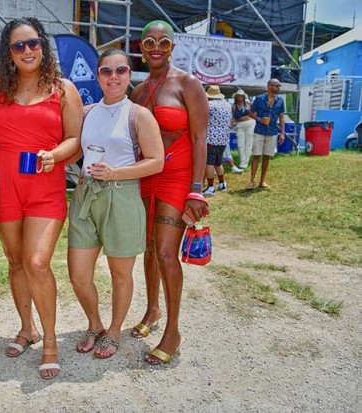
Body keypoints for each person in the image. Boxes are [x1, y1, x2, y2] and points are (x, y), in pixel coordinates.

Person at [0, 17, 82, 379]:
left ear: (43, 45)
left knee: (37, 262)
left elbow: (75, 139)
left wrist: (54, 155)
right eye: (18, 46)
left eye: (33, 43)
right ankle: (27, 329)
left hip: (45, 186)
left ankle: (51, 342)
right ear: (8, 52)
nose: (27, 51)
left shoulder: (63, 89)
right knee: (15, 262)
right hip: (7, 188)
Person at [68, 49, 164, 359]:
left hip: (122, 195)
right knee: (78, 273)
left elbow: (156, 161)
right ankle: (94, 323)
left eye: (120, 70)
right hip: (86, 195)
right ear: (97, 76)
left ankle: (114, 330)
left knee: (120, 274)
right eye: (106, 71)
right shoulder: (86, 112)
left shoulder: (138, 114)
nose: (113, 76)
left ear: (129, 75)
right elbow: (73, 149)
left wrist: (115, 173)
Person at [130, 20, 209, 365]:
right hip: (147, 175)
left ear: (173, 47)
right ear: (141, 48)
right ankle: (152, 310)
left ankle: (173, 331)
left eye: (164, 42)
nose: (156, 48)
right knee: (148, 247)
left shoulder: (188, 84)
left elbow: (200, 138)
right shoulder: (137, 91)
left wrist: (197, 189)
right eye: (150, 42)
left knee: (165, 252)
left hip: (177, 176)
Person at [246, 78, 285, 190]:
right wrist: (259, 119)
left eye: (279, 86)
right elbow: (250, 113)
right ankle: (251, 181)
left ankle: (262, 181)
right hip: (259, 130)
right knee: (256, 156)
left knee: (267, 157)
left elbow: (281, 117)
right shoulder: (259, 99)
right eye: (277, 86)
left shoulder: (280, 100)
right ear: (269, 86)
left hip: (272, 131)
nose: (278, 88)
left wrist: (282, 133)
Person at [203, 85, 232, 196]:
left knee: (209, 163)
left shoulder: (209, 105)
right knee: (218, 162)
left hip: (211, 138)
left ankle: (211, 187)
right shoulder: (227, 105)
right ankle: (222, 184)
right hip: (223, 138)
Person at [231, 88, 254, 170]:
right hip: (240, 125)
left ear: (243, 97)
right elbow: (234, 117)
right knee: (240, 145)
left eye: (241, 96)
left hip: (250, 124)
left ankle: (244, 164)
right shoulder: (234, 106)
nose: (239, 98)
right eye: (237, 96)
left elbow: (255, 113)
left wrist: (248, 117)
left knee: (248, 144)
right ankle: (242, 162)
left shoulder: (249, 104)